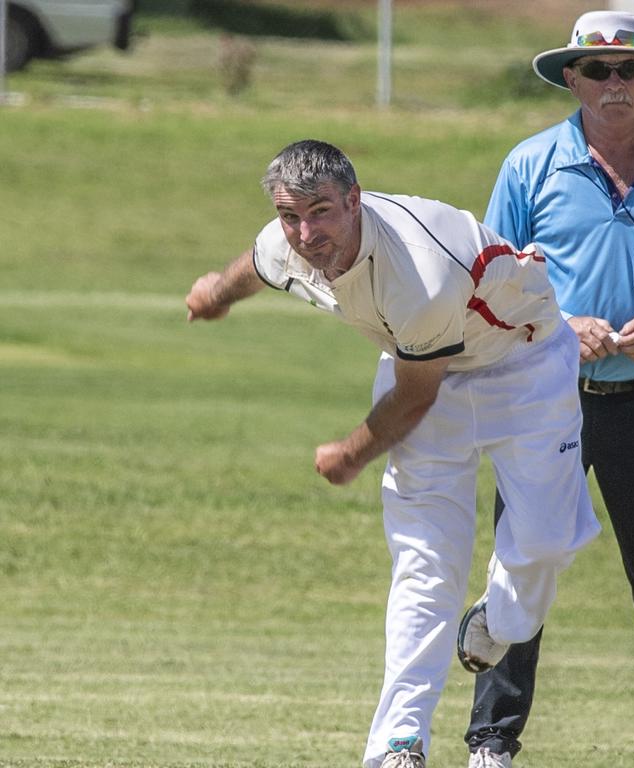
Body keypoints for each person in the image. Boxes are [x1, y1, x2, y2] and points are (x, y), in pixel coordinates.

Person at [185, 139, 601, 768]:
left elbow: (412, 401)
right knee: (425, 565)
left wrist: (352, 453)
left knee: (545, 544)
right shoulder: (289, 237)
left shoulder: (418, 272)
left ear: (355, 200)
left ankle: (500, 619)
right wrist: (217, 291)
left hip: (524, 366)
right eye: (291, 215)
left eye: (321, 212)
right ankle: (398, 744)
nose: (306, 233)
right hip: (424, 364)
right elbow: (258, 261)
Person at [463, 11, 634, 768]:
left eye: (628, 70)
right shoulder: (531, 164)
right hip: (545, 395)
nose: (613, 84)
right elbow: (491, 276)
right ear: (572, 79)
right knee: (524, 568)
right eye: (597, 71)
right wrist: (560, 323)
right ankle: (493, 742)